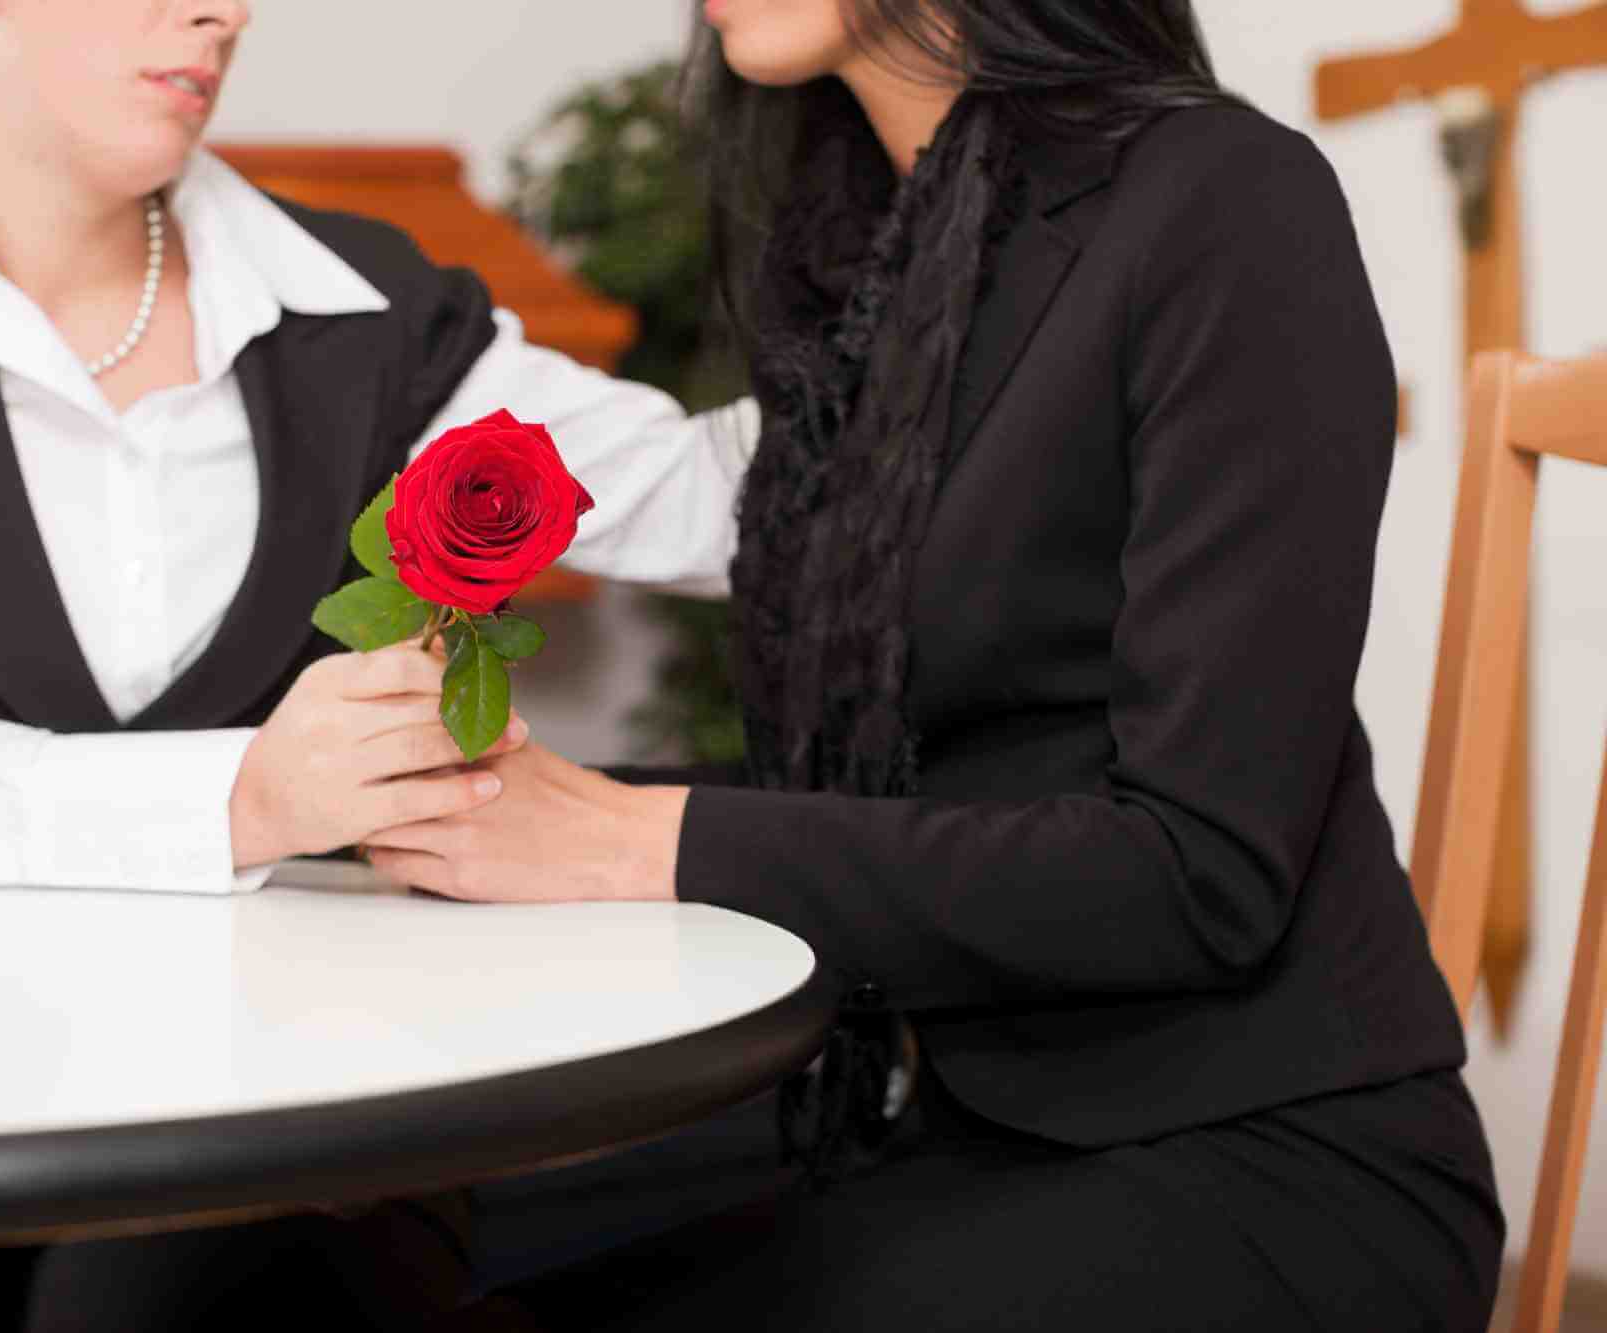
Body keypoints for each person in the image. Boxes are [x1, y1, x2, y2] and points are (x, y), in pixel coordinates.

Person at [359, 2, 1509, 1329]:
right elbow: (901, 778)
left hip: (1270, 1153)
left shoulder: (1228, 202)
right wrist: (495, 812)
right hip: (925, 1116)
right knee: (345, 1257)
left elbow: (1203, 867)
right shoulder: (862, 249)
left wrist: (644, 839)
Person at [0, 0, 752, 1325]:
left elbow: (723, 501)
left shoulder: (364, 304)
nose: (219, 10)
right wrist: (247, 799)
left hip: (284, 1134)